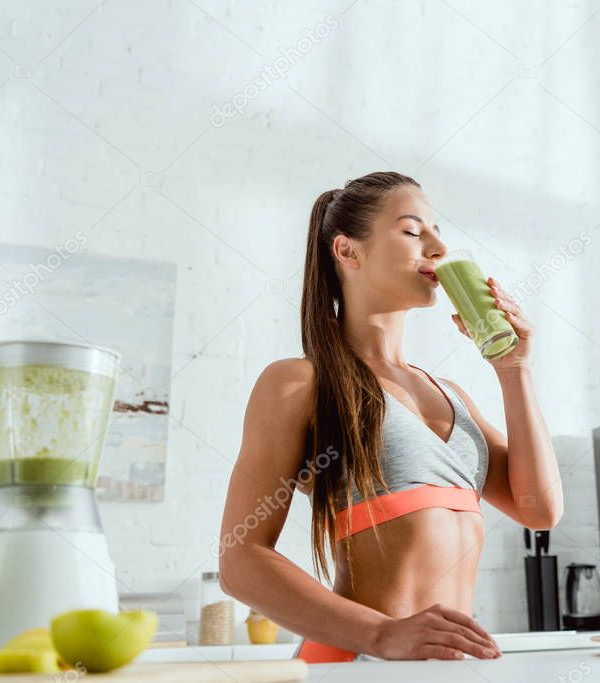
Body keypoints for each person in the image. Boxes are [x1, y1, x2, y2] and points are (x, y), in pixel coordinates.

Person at [218, 171, 562, 662]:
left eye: (438, 231)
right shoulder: (300, 382)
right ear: (347, 252)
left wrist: (514, 370)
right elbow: (239, 560)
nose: (439, 247)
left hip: (441, 668)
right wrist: (382, 635)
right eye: (412, 230)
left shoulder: (452, 395)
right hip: (356, 664)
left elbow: (540, 509)